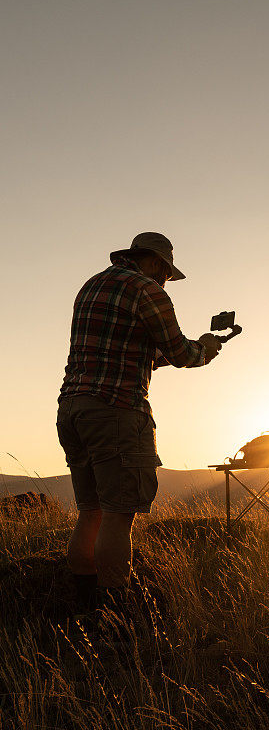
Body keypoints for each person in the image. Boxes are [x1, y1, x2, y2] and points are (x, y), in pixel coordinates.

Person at [56, 232, 223, 624]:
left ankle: (82, 608)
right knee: (119, 514)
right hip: (116, 412)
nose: (166, 282)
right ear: (158, 265)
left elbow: (132, 353)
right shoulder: (147, 290)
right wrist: (206, 350)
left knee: (91, 511)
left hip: (74, 409)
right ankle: (114, 618)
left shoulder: (92, 285)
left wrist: (177, 353)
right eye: (166, 273)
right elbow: (181, 353)